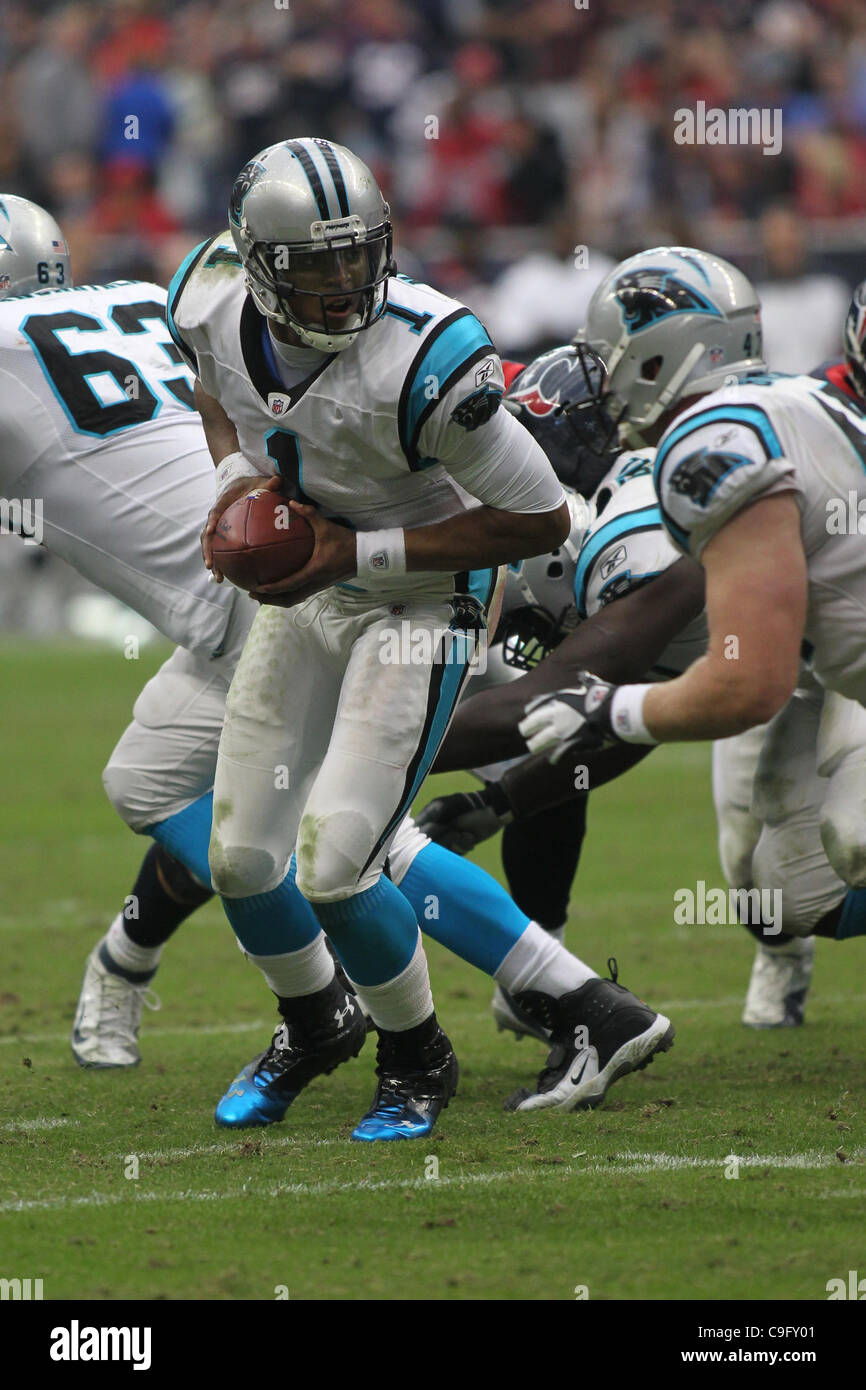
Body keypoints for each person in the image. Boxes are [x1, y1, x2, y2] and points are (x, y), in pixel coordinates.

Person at [0, 195, 675, 1125]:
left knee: (349, 844)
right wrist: (240, 484)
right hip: (258, 577)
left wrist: (341, 549)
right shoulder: (160, 296)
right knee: (155, 779)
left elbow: (526, 514)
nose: (335, 289)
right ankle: (316, 1007)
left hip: (316, 579)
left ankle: (549, 1009)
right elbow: (211, 391)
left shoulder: (355, 332)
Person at [519, 247, 866, 960]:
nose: (603, 374)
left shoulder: (712, 441)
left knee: (857, 834)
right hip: (825, 666)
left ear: (658, 359)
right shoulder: (781, 404)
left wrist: (602, 711)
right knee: (790, 885)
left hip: (820, 672)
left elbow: (743, 683)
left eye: (613, 354)